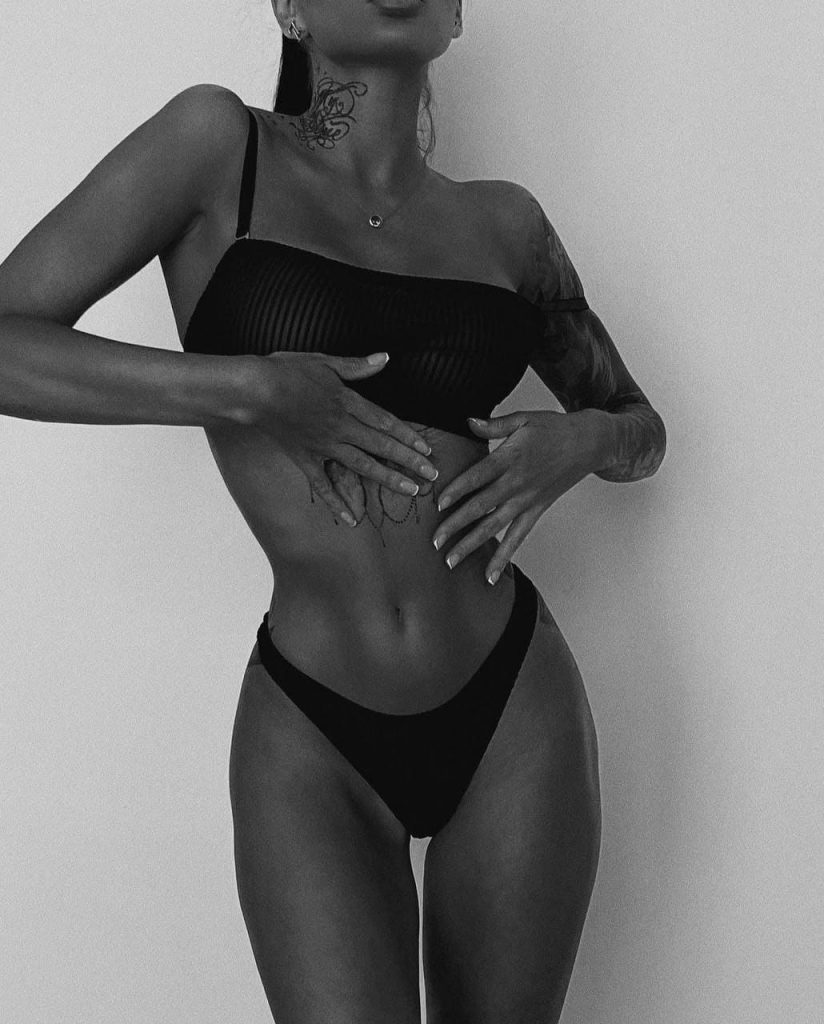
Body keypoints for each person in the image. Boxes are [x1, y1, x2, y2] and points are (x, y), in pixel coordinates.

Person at [0, 0, 666, 1020]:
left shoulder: (507, 225)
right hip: (313, 725)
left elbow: (639, 426)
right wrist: (251, 390)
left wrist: (578, 444)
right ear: (290, 6)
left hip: (511, 707)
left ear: (453, 18)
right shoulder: (217, 149)